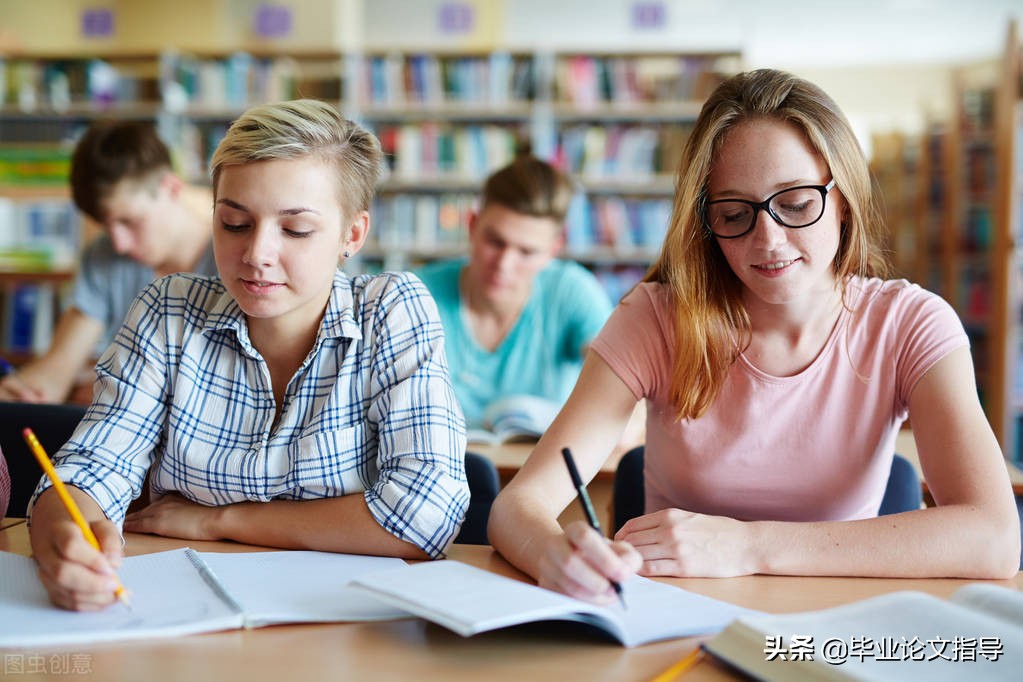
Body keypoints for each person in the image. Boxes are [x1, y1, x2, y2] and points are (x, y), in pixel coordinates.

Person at [488, 68, 1021, 605]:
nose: (768, 240)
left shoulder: (910, 325)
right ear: (705, 220)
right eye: (734, 213)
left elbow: (995, 537)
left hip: (834, 632)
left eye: (795, 204)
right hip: (675, 621)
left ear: (844, 198)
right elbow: (518, 507)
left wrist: (748, 545)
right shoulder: (654, 318)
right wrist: (555, 555)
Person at [27, 99, 469, 611]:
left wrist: (222, 520)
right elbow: (89, 470)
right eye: (234, 223)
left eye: (295, 229)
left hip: (349, 624)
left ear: (352, 234)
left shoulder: (390, 310)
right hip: (185, 612)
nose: (256, 254)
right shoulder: (167, 309)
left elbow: (427, 515)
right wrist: (65, 537)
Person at [0, 120, 215, 404]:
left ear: (171, 187)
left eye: (129, 221)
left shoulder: (238, 252)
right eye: (106, 225)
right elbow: (56, 373)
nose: (119, 244)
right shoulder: (103, 255)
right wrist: (17, 393)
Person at [416, 156, 614, 429]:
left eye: (526, 252)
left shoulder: (572, 291)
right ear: (472, 226)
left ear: (553, 250)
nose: (504, 265)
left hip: (545, 467)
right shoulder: (417, 294)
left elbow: (619, 379)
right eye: (495, 242)